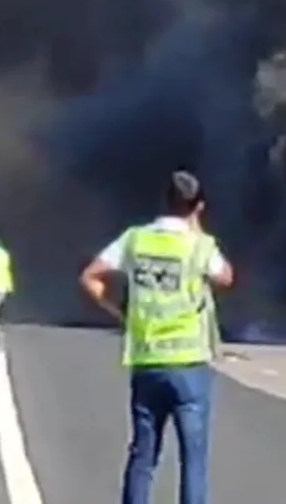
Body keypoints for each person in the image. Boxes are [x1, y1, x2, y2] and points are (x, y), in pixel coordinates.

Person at [79, 171, 234, 504]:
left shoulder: (135, 239)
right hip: (189, 364)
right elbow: (225, 277)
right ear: (198, 207)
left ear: (163, 201)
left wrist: (121, 313)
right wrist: (197, 228)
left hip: (147, 360)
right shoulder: (200, 245)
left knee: (143, 456)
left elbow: (91, 276)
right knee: (193, 460)